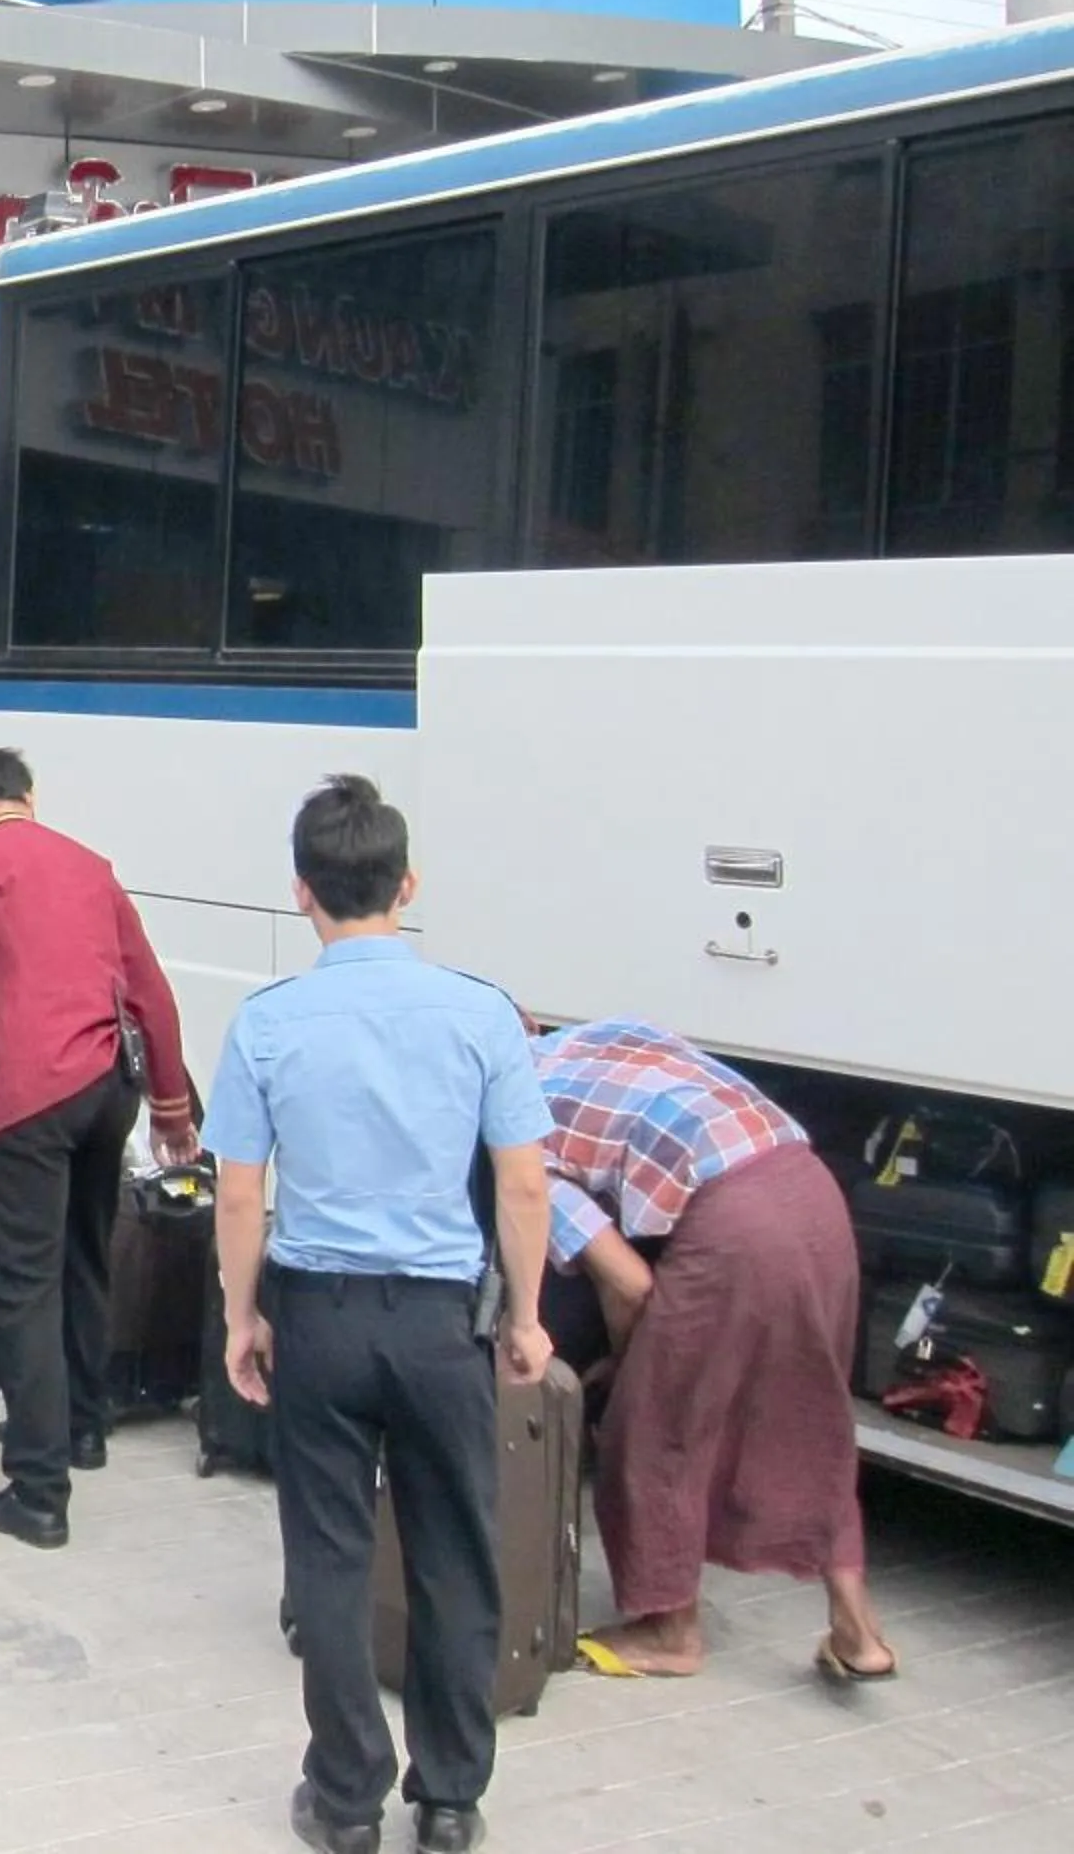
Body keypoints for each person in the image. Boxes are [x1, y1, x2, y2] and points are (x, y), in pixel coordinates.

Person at [204, 774, 554, 1854]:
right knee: (457, 1552)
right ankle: (449, 1796)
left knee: (330, 1556)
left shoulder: (265, 1023)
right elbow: (524, 1185)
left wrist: (241, 1316)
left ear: (301, 891)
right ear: (407, 884)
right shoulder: (481, 1012)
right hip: (442, 1321)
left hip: (321, 1316)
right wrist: (527, 1315)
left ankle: (347, 1795)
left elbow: (239, 1191)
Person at [0, 747, 196, 1544]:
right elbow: (151, 992)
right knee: (86, 1256)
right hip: (111, 1089)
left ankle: (37, 1490)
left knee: (24, 1285)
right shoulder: (90, 864)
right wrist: (170, 1106)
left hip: (37, 1095)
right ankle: (84, 1428)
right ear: (29, 798)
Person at [532, 1017, 896, 1686]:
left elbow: (631, 1285)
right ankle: (857, 1630)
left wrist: (627, 1367)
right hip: (812, 1193)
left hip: (737, 1226)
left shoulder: (515, 1134)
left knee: (652, 1426)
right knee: (806, 1415)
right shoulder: (601, 1034)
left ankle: (669, 1631)